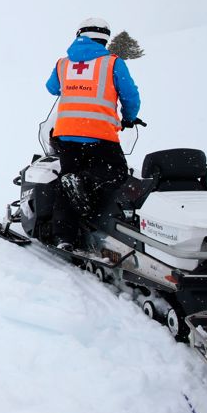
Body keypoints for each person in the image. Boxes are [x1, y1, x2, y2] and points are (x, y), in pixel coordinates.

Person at [45, 18, 142, 250]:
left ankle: (64, 236)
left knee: (69, 180)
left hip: (65, 137)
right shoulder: (112, 63)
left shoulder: (63, 64)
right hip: (101, 136)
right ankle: (98, 220)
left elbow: (51, 88)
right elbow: (130, 95)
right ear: (105, 39)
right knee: (116, 173)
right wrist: (129, 117)